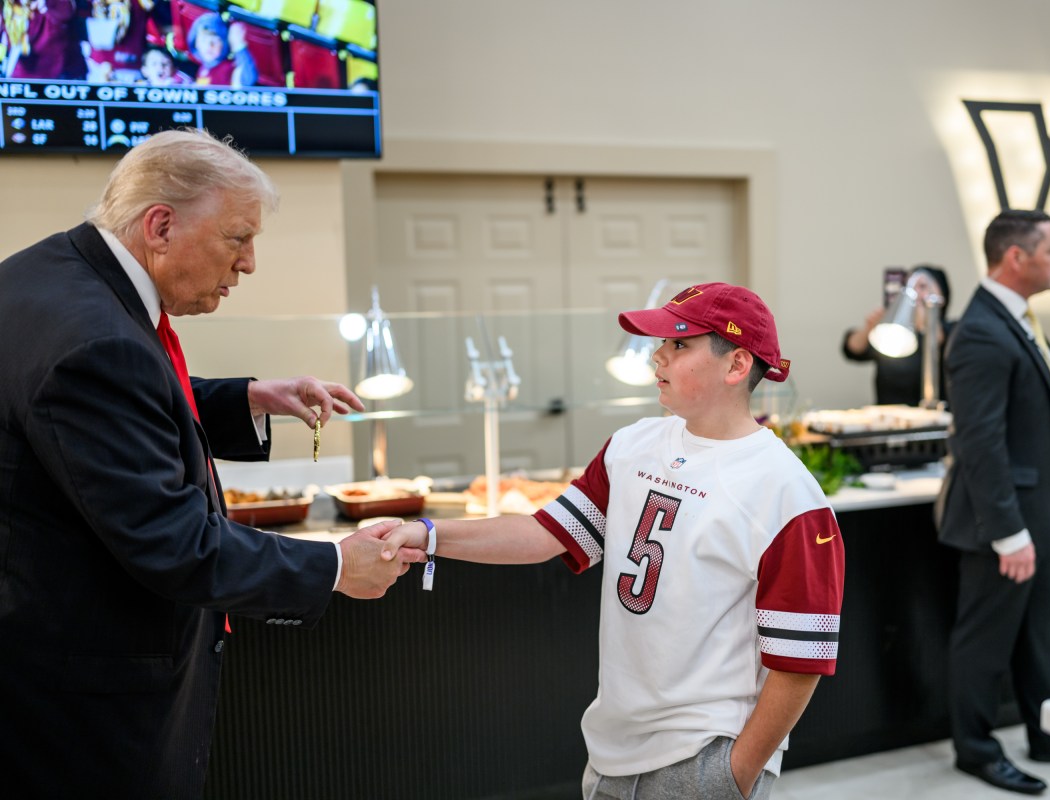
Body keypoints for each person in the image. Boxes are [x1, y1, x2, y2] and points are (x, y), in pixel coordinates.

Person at [0, 128, 416, 798]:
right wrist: (335, 565)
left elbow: (104, 416)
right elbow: (176, 545)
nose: (248, 263)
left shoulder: (49, 276)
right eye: (238, 238)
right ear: (160, 225)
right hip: (83, 699)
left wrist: (248, 399)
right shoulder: (96, 342)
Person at [386, 283, 845, 799]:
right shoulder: (633, 445)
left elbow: (800, 662)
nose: (658, 356)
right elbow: (546, 533)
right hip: (610, 748)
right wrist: (429, 535)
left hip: (703, 755)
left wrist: (733, 774)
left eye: (679, 344)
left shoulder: (787, 492)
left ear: (737, 365)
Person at [934, 210, 1050, 795]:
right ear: (1016, 257)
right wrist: (1010, 531)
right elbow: (980, 442)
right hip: (1002, 520)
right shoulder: (979, 330)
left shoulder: (1015, 319)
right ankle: (974, 749)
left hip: (1039, 510)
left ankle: (1049, 732)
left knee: (1044, 629)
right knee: (987, 638)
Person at [841, 265, 953, 405]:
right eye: (909, 287)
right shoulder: (892, 331)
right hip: (889, 418)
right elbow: (852, 350)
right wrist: (869, 328)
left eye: (923, 286)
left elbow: (947, 344)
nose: (915, 293)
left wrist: (926, 321)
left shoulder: (954, 332)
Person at [187, 11, 257, 87]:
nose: (209, 46)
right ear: (196, 44)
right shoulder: (203, 68)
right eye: (203, 40)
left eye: (215, 41)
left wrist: (239, 47)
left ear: (224, 44)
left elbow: (248, 79)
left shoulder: (229, 68)